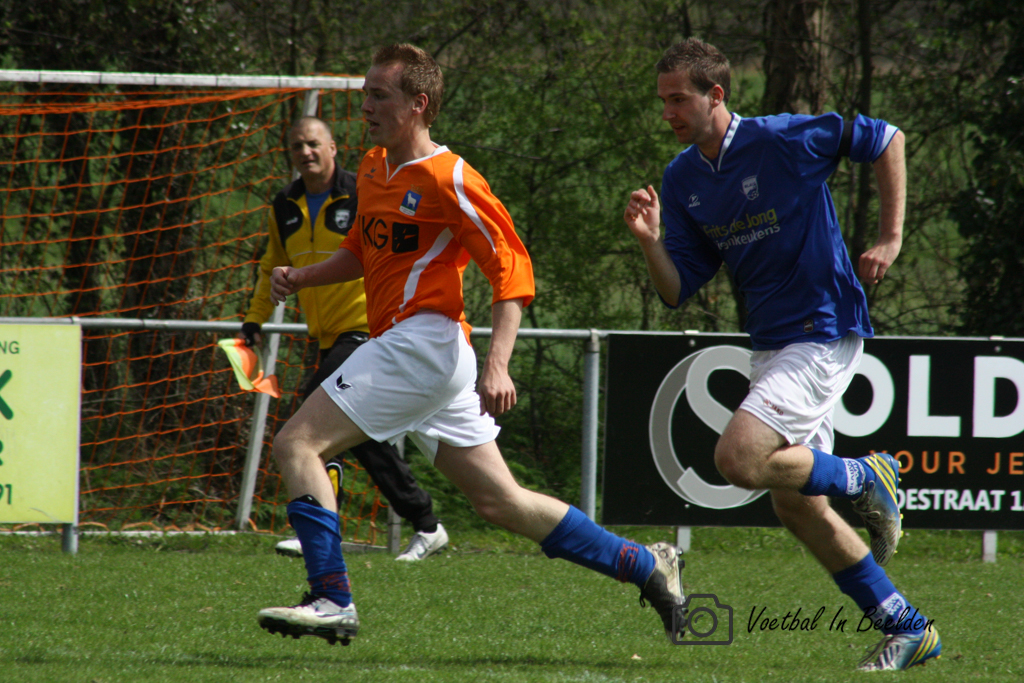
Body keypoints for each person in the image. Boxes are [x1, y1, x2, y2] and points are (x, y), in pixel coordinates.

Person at [256, 43, 685, 646]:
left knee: (297, 443)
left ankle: (331, 597)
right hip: (416, 353)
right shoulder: (374, 166)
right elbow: (362, 250)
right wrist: (304, 276)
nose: (366, 106)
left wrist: (499, 364)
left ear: (419, 103)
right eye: (365, 94)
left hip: (423, 343)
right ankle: (646, 565)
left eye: (379, 95)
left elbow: (512, 269)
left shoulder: (451, 177)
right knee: (501, 502)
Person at [624, 38, 940, 671]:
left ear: (716, 95)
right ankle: (907, 628)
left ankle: (865, 477)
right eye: (663, 101)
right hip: (772, 342)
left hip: (821, 326)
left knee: (738, 459)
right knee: (796, 505)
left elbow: (887, 139)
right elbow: (677, 290)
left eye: (678, 99)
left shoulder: (781, 138)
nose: (667, 112)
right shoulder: (683, 178)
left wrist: (890, 238)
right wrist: (650, 242)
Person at [241, 115, 447, 562]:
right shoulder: (285, 204)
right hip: (325, 335)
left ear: (333, 148)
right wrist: (255, 319)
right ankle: (427, 523)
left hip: (367, 327)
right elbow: (271, 265)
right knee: (361, 437)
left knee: (311, 417)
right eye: (297, 146)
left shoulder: (360, 191)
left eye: (313, 143)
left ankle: (320, 529)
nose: (306, 152)